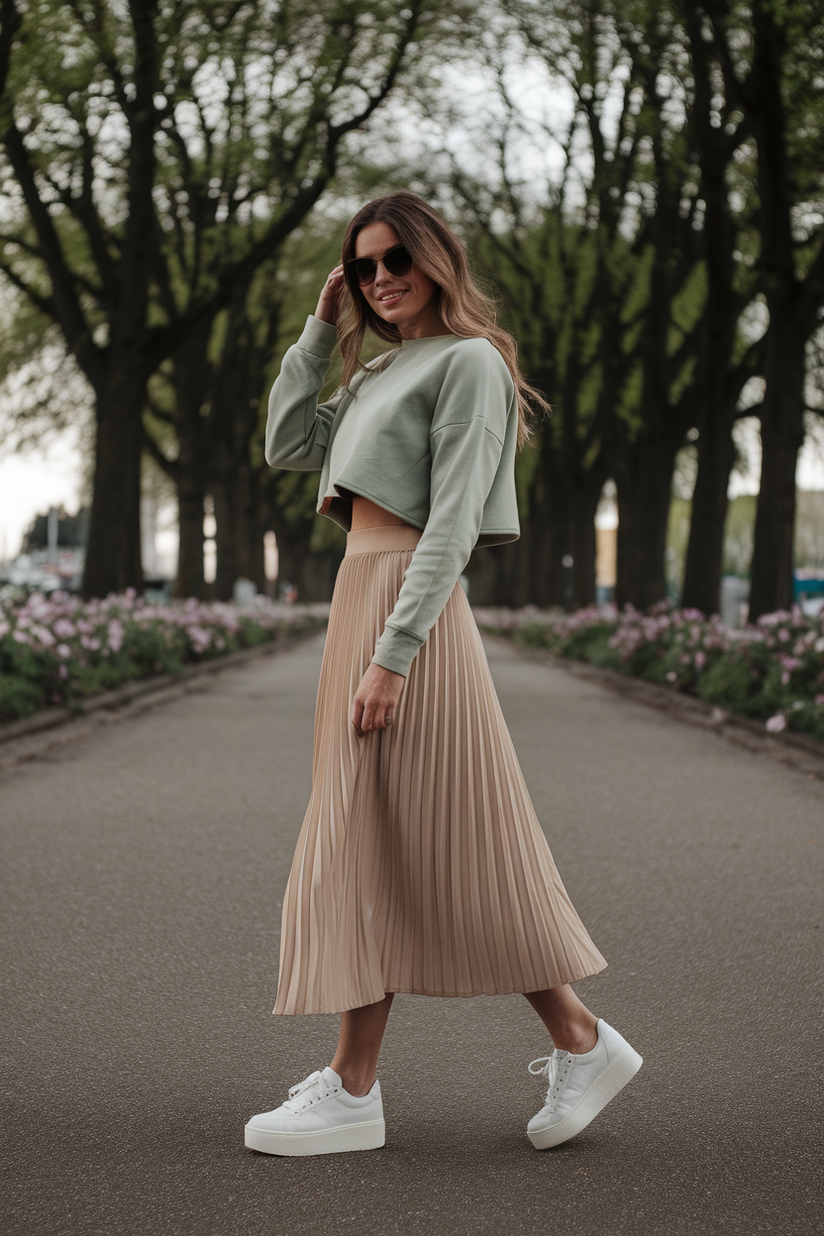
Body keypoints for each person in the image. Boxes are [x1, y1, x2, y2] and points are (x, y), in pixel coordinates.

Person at [244, 191, 642, 1158]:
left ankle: (351, 1086)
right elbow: (288, 444)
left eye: (397, 262)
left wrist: (394, 657)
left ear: (436, 261)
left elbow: (453, 524)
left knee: (386, 838)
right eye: (366, 265)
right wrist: (320, 328)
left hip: (406, 616)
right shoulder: (382, 366)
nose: (383, 280)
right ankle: (578, 1040)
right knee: (413, 840)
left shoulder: (468, 363)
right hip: (363, 600)